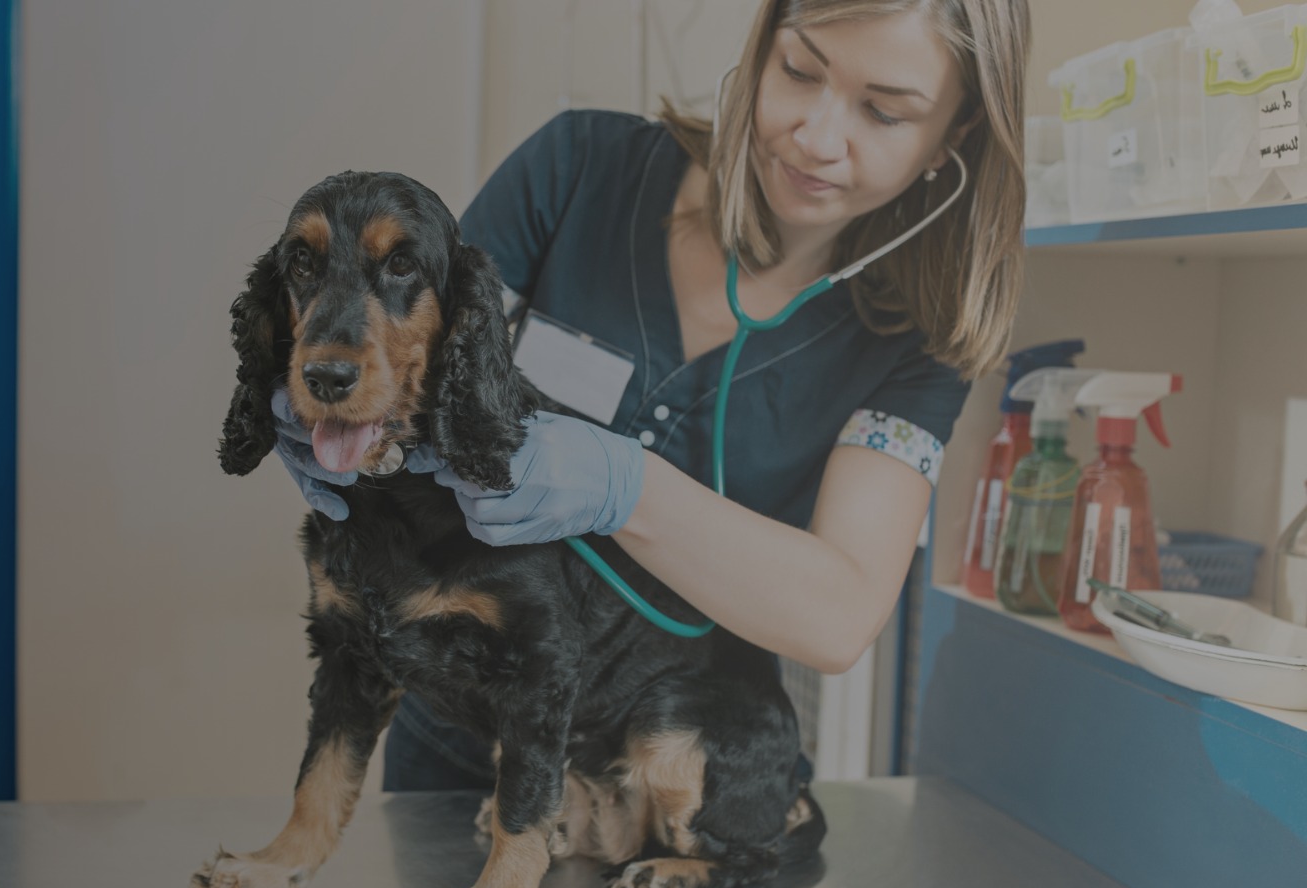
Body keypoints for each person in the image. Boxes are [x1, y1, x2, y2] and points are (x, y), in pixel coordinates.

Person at [274, 0, 1031, 792]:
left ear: (956, 134)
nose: (815, 135)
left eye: (883, 111)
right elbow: (406, 360)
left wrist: (624, 488)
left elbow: (837, 619)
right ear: (761, 46)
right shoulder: (578, 170)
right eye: (798, 70)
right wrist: (321, 403)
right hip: (467, 745)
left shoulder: (921, 337)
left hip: (680, 764)